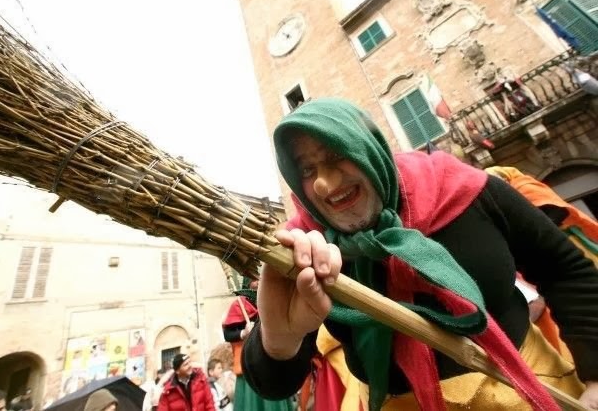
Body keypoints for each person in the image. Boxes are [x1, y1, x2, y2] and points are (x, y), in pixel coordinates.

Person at [241, 98, 598, 411]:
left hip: (537, 392)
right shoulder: (300, 248)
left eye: (337, 155)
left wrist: (596, 375)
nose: (325, 183)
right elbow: (272, 385)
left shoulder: (460, 186)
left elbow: (563, 269)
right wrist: (279, 338)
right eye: (307, 169)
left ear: (369, 148)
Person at [222, 279, 293, 411]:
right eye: (254, 280)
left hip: (272, 361)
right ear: (248, 284)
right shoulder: (238, 305)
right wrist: (243, 333)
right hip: (249, 364)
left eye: (260, 278)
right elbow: (227, 334)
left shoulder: (270, 300)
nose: (259, 282)